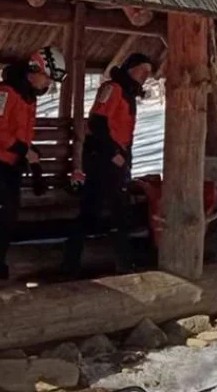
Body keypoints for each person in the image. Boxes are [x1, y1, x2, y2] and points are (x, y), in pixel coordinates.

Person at [0, 46, 66, 279]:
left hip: (9, 167)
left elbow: (19, 135)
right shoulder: (4, 93)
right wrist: (24, 150)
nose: (48, 85)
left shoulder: (28, 98)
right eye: (48, 78)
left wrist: (31, 156)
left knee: (9, 218)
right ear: (35, 70)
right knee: (1, 218)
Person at [62, 52, 153, 275]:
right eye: (143, 70)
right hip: (103, 159)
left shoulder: (128, 93)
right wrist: (114, 152)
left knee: (95, 210)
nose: (145, 76)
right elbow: (97, 123)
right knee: (117, 209)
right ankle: (123, 263)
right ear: (131, 69)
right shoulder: (113, 89)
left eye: (148, 72)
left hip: (114, 158)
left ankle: (73, 261)